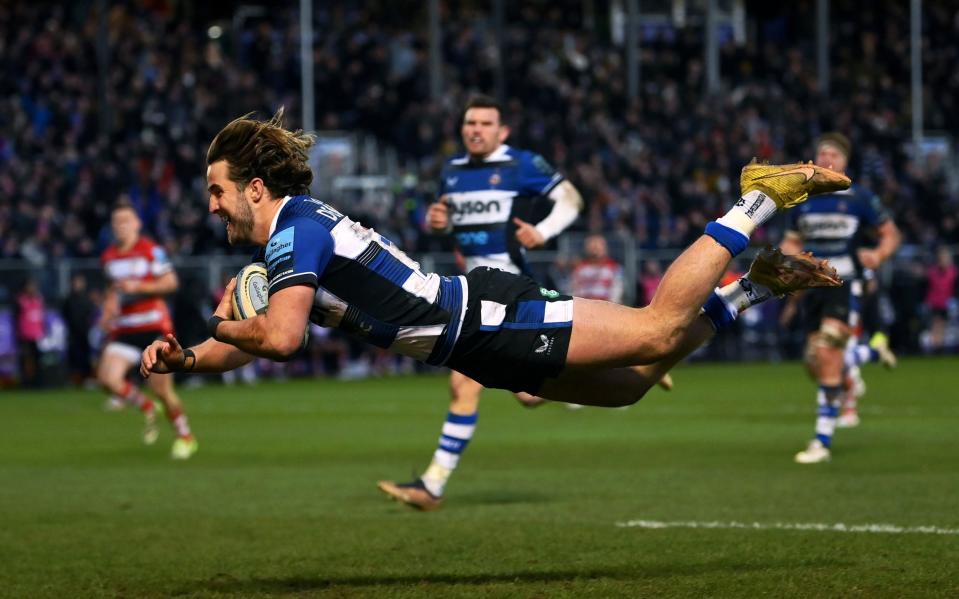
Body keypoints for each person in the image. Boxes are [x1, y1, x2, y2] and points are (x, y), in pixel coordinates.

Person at [139, 111, 847, 476]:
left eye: (216, 190)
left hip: (484, 316)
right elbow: (264, 331)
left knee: (658, 328)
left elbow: (280, 339)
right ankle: (753, 286)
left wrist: (226, 327)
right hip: (474, 342)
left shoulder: (292, 229)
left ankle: (755, 200)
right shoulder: (288, 238)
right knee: (628, 386)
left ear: (253, 188)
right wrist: (190, 360)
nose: (210, 205)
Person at [379, 96, 584, 510]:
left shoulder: (521, 164)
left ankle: (431, 486)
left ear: (501, 131)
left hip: (510, 290)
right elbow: (450, 227)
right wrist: (441, 224)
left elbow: (572, 200)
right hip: (476, 289)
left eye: (485, 123)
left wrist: (542, 232)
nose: (476, 129)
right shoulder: (452, 172)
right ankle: (614, 363)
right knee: (522, 393)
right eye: (470, 122)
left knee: (470, 384)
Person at [782, 133, 901, 464]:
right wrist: (790, 257)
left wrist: (879, 254)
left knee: (827, 349)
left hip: (845, 282)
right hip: (813, 287)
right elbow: (791, 241)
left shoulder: (859, 197)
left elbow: (890, 233)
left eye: (833, 153)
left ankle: (821, 441)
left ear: (845, 161)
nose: (826, 159)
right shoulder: (801, 198)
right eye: (821, 153)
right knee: (815, 361)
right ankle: (867, 358)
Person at [99, 202, 197, 459]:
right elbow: (112, 291)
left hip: (153, 328)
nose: (120, 226)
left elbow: (171, 282)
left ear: (137, 224)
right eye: (116, 222)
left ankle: (185, 436)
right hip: (124, 329)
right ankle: (144, 405)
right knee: (106, 379)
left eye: (125, 221)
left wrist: (139, 287)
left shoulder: (151, 251)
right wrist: (107, 313)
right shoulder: (109, 257)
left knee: (162, 389)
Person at [61, 273, 97, 386]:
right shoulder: (68, 299)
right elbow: (65, 314)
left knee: (85, 356)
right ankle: (73, 379)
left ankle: (86, 379)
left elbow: (92, 314)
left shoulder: (87, 299)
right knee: (73, 357)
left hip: (85, 333)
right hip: (72, 333)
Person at [925, 247, 957, 353]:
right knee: (935, 324)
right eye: (942, 257)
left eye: (945, 257)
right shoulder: (932, 272)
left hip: (947, 303)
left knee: (943, 325)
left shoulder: (954, 272)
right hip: (934, 302)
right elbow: (927, 287)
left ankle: (941, 346)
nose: (943, 260)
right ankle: (935, 347)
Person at [15, 279, 45, 387]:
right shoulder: (21, 301)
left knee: (37, 360)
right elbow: (16, 317)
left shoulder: (39, 300)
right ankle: (25, 382)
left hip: (37, 335)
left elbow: (41, 317)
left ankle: (38, 381)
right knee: (26, 360)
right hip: (24, 335)